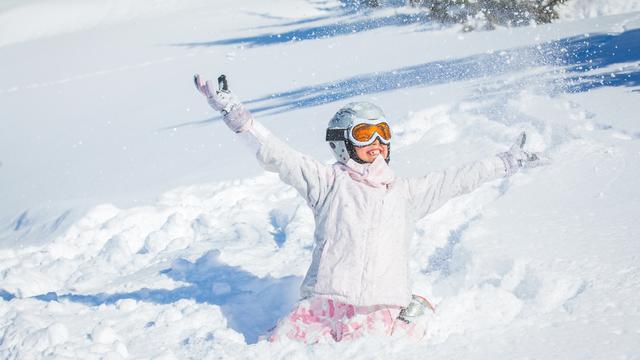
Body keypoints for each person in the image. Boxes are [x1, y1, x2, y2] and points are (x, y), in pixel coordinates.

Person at [194, 74, 543, 343]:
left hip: (381, 310)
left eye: (382, 133)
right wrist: (235, 115)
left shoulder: (404, 193)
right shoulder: (327, 183)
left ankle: (412, 311)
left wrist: (505, 162)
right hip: (323, 307)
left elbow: (457, 179)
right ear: (344, 142)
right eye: (364, 134)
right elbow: (277, 155)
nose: (375, 143)